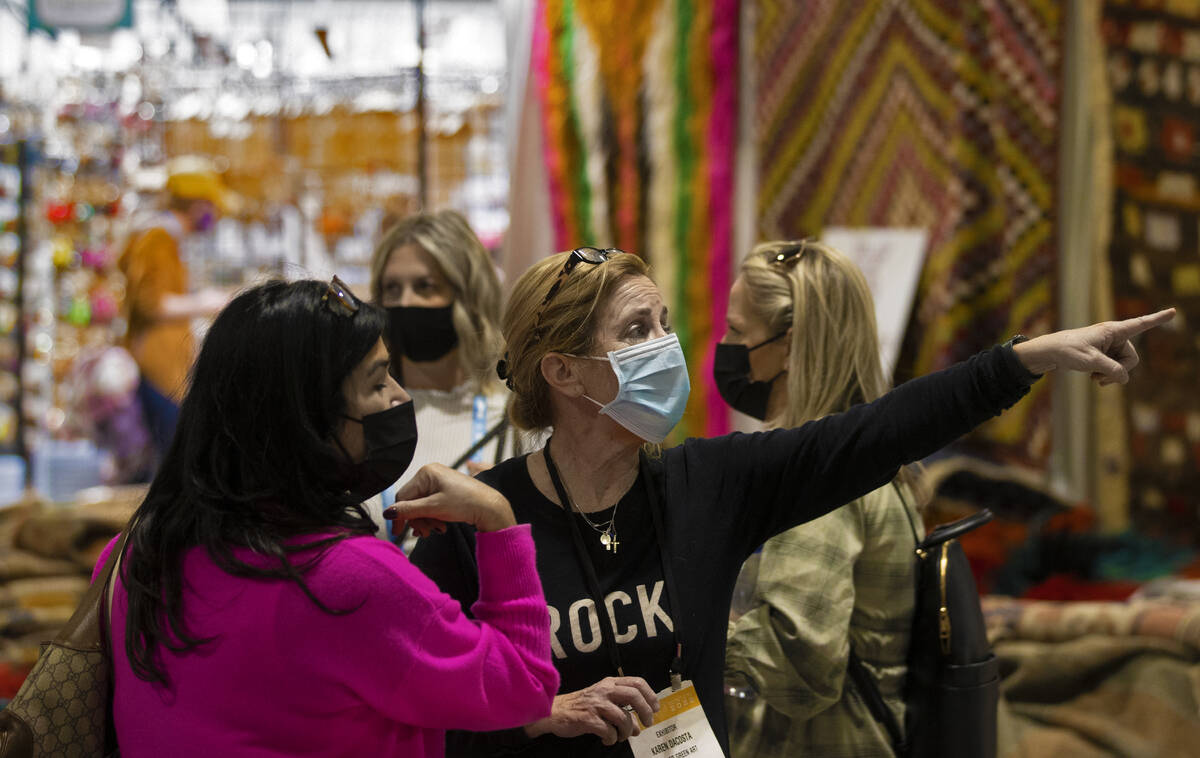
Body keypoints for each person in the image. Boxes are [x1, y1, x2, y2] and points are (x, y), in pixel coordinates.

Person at [407, 245, 1172, 757]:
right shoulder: (482, 522)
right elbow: (411, 708)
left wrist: (1026, 358)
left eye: (666, 324)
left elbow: (874, 432)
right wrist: (542, 714)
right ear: (564, 374)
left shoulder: (708, 484)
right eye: (638, 330)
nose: (668, 348)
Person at [93, 278, 559, 757]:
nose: (400, 397)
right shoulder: (350, 581)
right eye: (378, 383)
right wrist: (498, 519)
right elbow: (524, 689)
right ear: (307, 416)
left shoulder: (135, 553)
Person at [718, 240, 924, 757]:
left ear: (788, 346)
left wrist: (683, 631)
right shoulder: (860, 450)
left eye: (738, 331)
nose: (723, 344)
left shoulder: (819, 473)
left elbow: (800, 662)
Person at [367, 211, 526, 541]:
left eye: (424, 287)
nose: (404, 302)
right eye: (391, 288)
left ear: (467, 297)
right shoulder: (362, 421)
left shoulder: (518, 418)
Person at [117, 156, 234, 461]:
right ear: (198, 206)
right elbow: (151, 303)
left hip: (167, 367)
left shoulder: (165, 237)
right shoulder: (158, 238)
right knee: (171, 459)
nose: (216, 215)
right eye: (212, 206)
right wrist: (205, 302)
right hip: (159, 368)